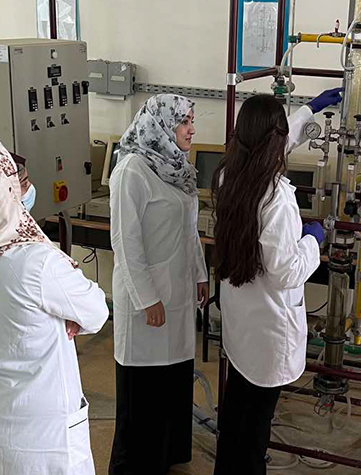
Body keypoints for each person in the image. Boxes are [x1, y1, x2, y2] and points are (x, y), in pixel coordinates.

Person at [0, 141, 108, 475]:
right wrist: (67, 317)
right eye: (20, 182)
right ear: (2, 189)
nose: (26, 190)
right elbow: (96, 311)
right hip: (37, 428)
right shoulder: (35, 262)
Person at [211, 89, 343, 474]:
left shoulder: (228, 176)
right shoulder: (277, 198)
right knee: (255, 428)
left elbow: (272, 145)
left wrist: (309, 110)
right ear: (275, 142)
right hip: (268, 329)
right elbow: (286, 271)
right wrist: (312, 241)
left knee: (237, 415)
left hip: (242, 323)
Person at [108, 94, 210, 475]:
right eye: (184, 121)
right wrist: (147, 298)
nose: (191, 129)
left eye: (191, 120)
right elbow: (125, 242)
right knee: (144, 395)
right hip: (146, 300)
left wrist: (201, 273)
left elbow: (189, 230)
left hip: (179, 294)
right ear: (162, 124)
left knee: (172, 384)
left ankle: (166, 458)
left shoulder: (176, 167)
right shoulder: (132, 169)